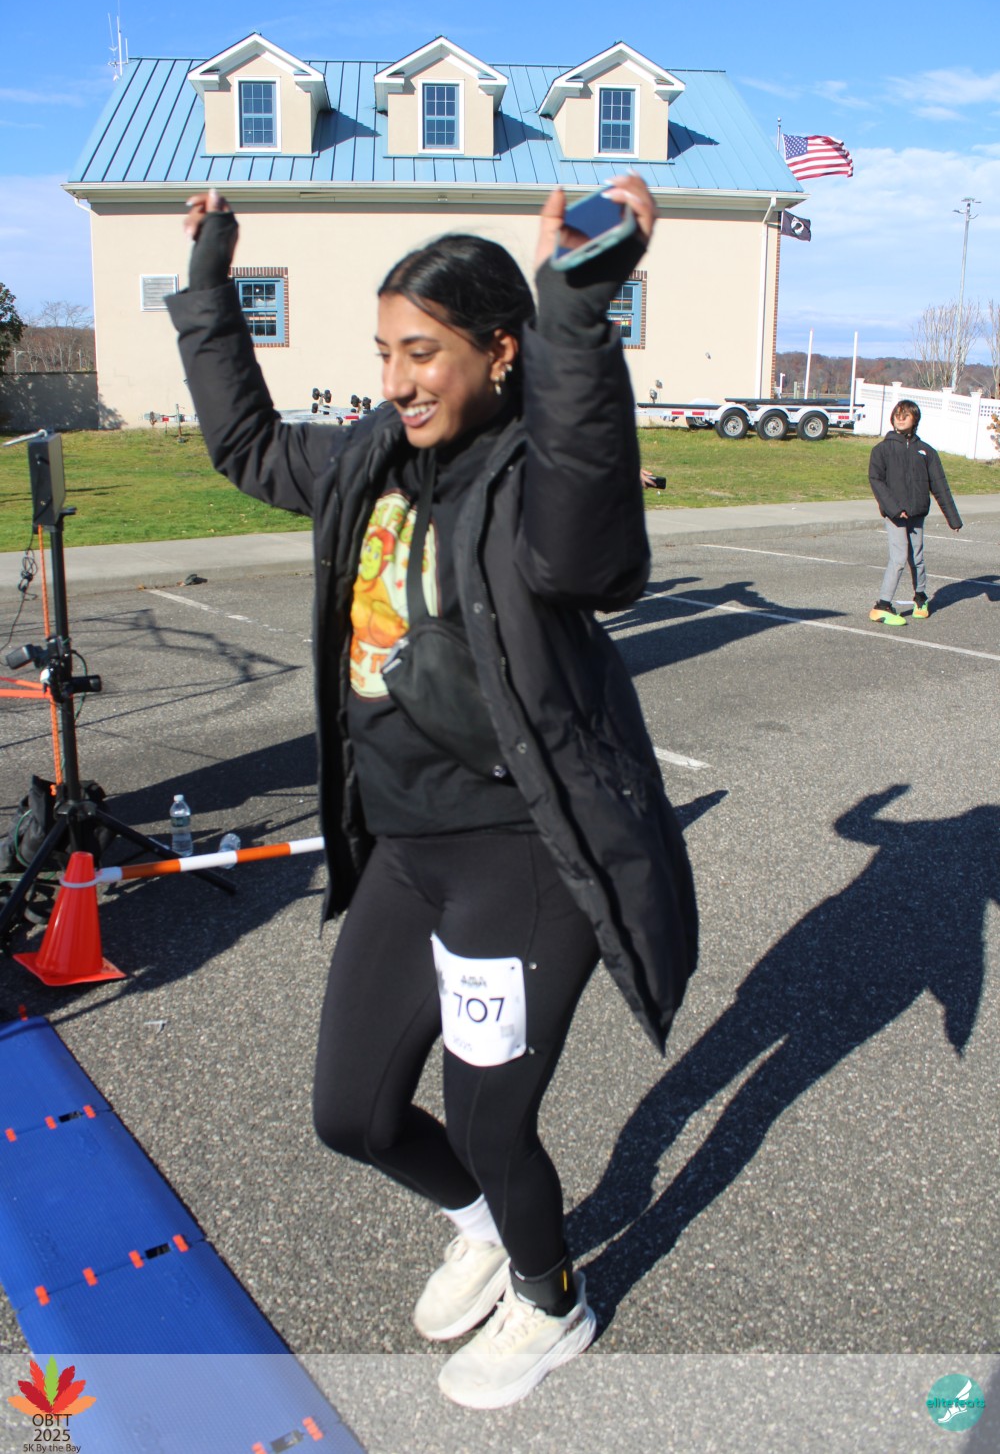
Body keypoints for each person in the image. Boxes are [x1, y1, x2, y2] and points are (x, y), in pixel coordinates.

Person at [167, 180, 697, 1409]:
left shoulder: (530, 485)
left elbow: (595, 541)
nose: (398, 380)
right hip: (406, 851)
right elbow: (249, 447)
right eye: (384, 353)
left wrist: (577, 310)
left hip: (521, 856)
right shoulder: (371, 459)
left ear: (498, 351)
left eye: (423, 352)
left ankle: (552, 1301)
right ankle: (482, 1227)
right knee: (352, 1116)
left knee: (490, 1120)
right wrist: (207, 285)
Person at [868, 399, 962, 625]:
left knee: (917, 557)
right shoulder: (882, 450)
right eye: (897, 414)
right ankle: (882, 605)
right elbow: (876, 481)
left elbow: (940, 485)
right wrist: (894, 508)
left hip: (917, 514)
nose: (900, 418)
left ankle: (920, 598)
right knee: (899, 558)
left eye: (906, 415)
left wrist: (953, 519)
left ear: (915, 419)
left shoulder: (926, 451)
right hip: (895, 516)